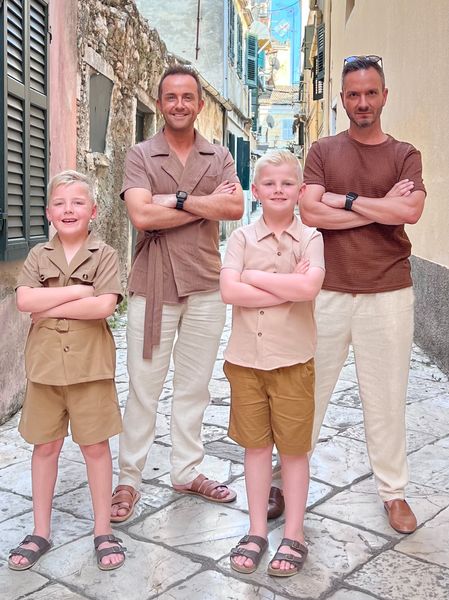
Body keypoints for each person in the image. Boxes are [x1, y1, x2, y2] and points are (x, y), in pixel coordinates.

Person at [110, 65, 244, 522]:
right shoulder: (141, 154)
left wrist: (175, 200)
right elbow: (141, 218)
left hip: (205, 284)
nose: (180, 104)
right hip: (153, 286)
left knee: (194, 388)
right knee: (143, 389)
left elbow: (233, 206)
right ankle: (129, 479)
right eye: (171, 97)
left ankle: (187, 471)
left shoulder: (219, 154)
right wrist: (200, 205)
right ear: (161, 101)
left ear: (200, 104)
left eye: (188, 97)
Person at [300, 55, 426, 534]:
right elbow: (310, 213)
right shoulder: (323, 150)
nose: (362, 102)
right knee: (306, 392)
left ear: (385, 95)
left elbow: (409, 212)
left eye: (371, 93)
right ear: (342, 98)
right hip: (326, 288)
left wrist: (346, 200)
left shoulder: (405, 154)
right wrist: (381, 208)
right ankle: (285, 476)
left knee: (387, 396)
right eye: (353, 94)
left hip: (388, 290)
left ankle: (393, 493)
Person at [9, 171, 125, 571]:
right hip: (44, 370)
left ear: (92, 211)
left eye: (77, 203)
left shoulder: (105, 254)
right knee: (45, 447)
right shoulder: (39, 255)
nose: (68, 210)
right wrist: (79, 290)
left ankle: (102, 529)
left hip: (90, 368)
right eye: (60, 203)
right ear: (48, 213)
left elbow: (103, 306)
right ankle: (40, 529)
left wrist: (49, 306)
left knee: (95, 448)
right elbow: (25, 300)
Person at [220, 150, 325, 577]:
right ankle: (258, 529)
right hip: (246, 362)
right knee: (255, 447)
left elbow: (311, 287)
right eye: (270, 183)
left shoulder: (311, 238)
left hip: (292, 361)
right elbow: (229, 292)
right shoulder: (241, 239)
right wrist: (288, 287)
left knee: (295, 451)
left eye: (287, 183)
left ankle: (295, 533)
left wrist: (254, 278)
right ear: (257, 191)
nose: (278, 190)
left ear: (300, 191)